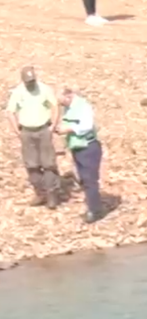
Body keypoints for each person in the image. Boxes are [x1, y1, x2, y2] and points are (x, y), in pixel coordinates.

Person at [6, 66, 61, 208]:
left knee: (48, 164)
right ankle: (40, 193)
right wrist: (17, 130)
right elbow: (10, 111)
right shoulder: (18, 92)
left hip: (43, 129)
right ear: (23, 81)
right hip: (27, 131)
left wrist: (52, 126)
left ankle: (51, 195)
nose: (31, 84)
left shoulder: (44, 89)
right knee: (32, 165)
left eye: (32, 81)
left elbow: (54, 106)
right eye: (28, 82)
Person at [55, 87, 104, 223]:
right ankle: (93, 205)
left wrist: (68, 129)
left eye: (62, 102)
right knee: (83, 179)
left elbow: (87, 125)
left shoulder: (83, 106)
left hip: (88, 147)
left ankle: (95, 211)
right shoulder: (69, 107)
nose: (61, 105)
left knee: (90, 180)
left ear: (68, 96)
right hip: (77, 147)